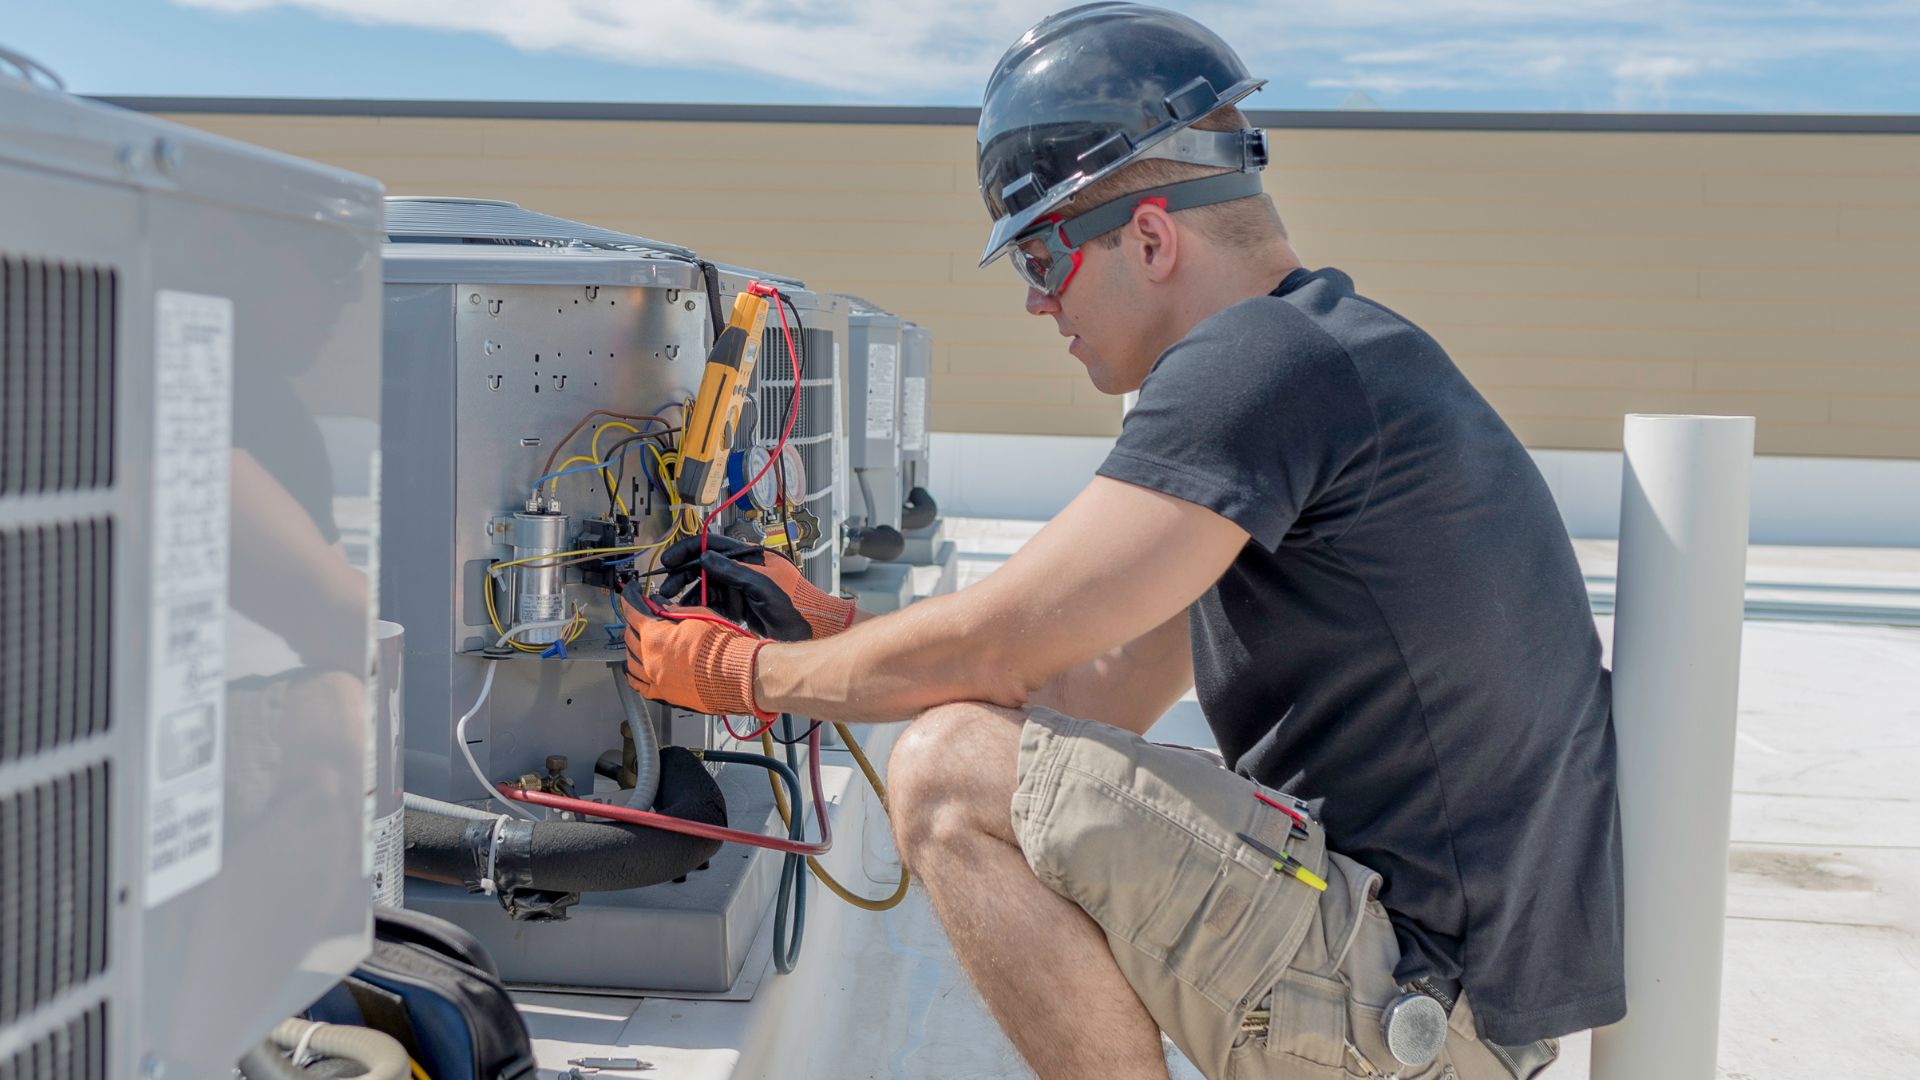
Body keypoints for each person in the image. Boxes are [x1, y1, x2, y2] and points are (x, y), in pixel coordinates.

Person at [621, 5, 1624, 1078]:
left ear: (1150, 236)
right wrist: (852, 637)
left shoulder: (1257, 363)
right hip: (1431, 986)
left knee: (950, 776)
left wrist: (751, 673)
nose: (1036, 306)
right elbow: (1089, 690)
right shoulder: (1330, 355)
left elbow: (1000, 650)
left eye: (1044, 259)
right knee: (986, 750)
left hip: (1409, 1004)